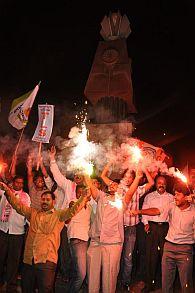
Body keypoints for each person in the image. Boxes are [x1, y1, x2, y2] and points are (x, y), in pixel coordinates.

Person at [0, 181, 90, 293]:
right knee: (27, 289)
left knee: (45, 290)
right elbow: (18, 205)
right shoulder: (33, 213)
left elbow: (73, 210)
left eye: (48, 199)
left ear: (53, 201)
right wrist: (7, 190)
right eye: (43, 199)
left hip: (46, 261)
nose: (45, 201)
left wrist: (84, 197)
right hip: (29, 260)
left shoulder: (59, 215)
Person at [85, 167, 144, 293]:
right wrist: (85, 169)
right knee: (92, 277)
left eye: (116, 184)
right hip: (95, 241)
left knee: (109, 278)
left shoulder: (121, 201)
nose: (112, 185)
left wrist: (138, 178)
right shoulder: (101, 196)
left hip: (112, 243)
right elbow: (90, 185)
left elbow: (130, 192)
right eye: (111, 184)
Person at [130, 182, 195, 293]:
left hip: (185, 250)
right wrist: (139, 211)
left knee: (186, 284)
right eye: (174, 194)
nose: (175, 197)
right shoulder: (172, 205)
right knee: (166, 283)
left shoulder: (193, 210)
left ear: (186, 197)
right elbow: (156, 211)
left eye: (178, 195)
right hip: (169, 248)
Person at [141, 175, 173, 291]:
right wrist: (145, 224)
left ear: (166, 185)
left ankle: (165, 285)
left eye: (163, 183)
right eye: (159, 182)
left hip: (166, 229)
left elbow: (173, 215)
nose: (161, 185)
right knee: (151, 257)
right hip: (152, 228)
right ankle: (149, 284)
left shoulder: (172, 198)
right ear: (155, 184)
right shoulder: (149, 197)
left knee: (165, 258)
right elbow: (144, 212)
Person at [0, 176, 30, 292]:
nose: (19, 184)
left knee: (13, 260)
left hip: (17, 232)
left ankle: (11, 285)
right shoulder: (4, 192)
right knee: (1, 257)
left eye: (21, 183)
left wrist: (31, 226)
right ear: (13, 183)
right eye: (17, 182)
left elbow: (27, 212)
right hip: (3, 229)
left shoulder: (26, 196)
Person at [67, 184, 92, 292]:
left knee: (76, 271)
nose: (81, 194)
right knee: (82, 273)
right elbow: (66, 219)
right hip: (76, 239)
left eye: (83, 192)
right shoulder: (73, 203)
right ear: (76, 193)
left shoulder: (89, 206)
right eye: (79, 192)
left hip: (86, 240)